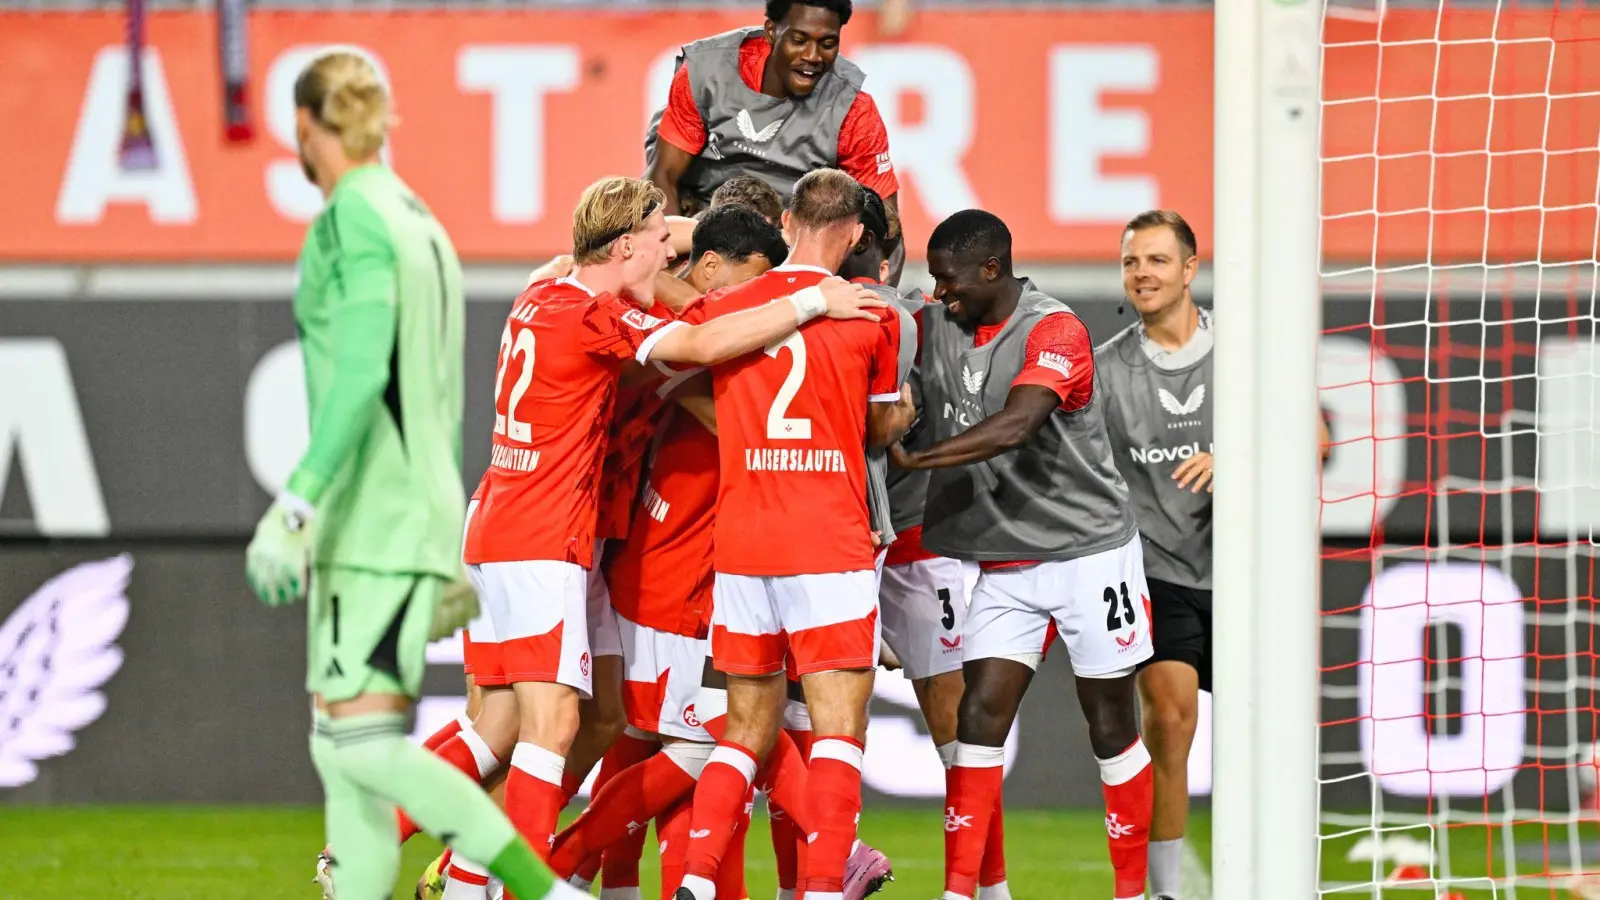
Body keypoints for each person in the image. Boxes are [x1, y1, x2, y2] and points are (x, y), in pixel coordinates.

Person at [460, 174, 886, 875]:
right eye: (662, 240)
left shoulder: (546, 289)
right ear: (627, 243)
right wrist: (811, 298)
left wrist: (695, 231)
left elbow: (641, 271)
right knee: (565, 728)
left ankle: (472, 871)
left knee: (547, 724)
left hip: (522, 525)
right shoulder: (604, 320)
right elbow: (705, 343)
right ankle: (501, 878)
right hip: (560, 540)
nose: (672, 254)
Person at [242, 51, 581, 900]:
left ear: (306, 128)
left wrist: (295, 503)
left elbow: (360, 375)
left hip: (371, 516)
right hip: (419, 506)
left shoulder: (350, 220)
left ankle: (541, 892)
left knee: (357, 747)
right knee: (346, 752)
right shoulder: (417, 219)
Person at [889, 210, 1154, 900]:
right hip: (1006, 563)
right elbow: (883, 307)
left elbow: (1018, 423)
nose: (939, 293)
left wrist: (919, 458)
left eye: (950, 281)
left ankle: (1132, 893)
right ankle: (968, 893)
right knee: (979, 716)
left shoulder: (1054, 328)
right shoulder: (937, 323)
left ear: (992, 270)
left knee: (1110, 724)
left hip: (1087, 553)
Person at [672, 168, 914, 900]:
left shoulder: (728, 307)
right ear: (856, 235)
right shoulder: (872, 315)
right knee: (837, 731)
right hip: (828, 542)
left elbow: (687, 356)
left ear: (784, 219)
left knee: (745, 731)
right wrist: (900, 412)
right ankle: (816, 891)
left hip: (744, 544)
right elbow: (877, 429)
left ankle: (694, 880)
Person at [1095, 210, 1330, 900]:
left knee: (1268, 737)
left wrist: (1237, 457)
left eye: (1158, 261)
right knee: (1168, 717)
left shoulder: (1247, 351)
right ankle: (1163, 890)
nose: (1143, 273)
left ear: (1191, 270)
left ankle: (1287, 877)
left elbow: (1314, 440)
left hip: (1245, 573)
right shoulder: (1109, 371)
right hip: (1158, 570)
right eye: (1133, 262)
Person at [643, 0, 900, 246]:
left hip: (794, 242)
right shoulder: (706, 73)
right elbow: (663, 176)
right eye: (799, 41)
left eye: (828, 43)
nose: (813, 56)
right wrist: (666, 266)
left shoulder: (854, 109)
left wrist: (878, 289)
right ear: (771, 32)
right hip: (701, 230)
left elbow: (886, 225)